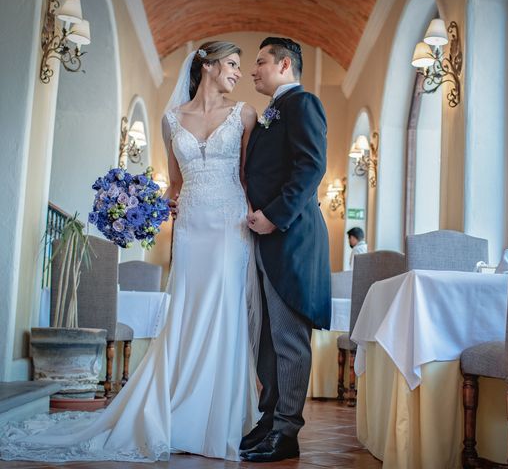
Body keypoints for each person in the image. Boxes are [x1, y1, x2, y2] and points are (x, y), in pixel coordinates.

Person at [0, 41, 260, 462]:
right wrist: (153, 205)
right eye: (232, 64)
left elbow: (249, 176)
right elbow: (175, 184)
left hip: (231, 224)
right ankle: (174, 409)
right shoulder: (171, 119)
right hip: (192, 225)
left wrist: (255, 216)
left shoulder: (244, 113)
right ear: (208, 66)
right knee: (188, 311)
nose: (237, 73)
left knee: (225, 309)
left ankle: (217, 419)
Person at [240, 37, 331, 463]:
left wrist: (274, 215)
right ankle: (269, 419)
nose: (253, 69)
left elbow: (311, 165)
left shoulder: (303, 103)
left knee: (289, 338)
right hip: (266, 236)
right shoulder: (273, 113)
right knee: (268, 340)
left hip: (291, 237)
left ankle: (287, 431)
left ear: (283, 64)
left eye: (260, 62)